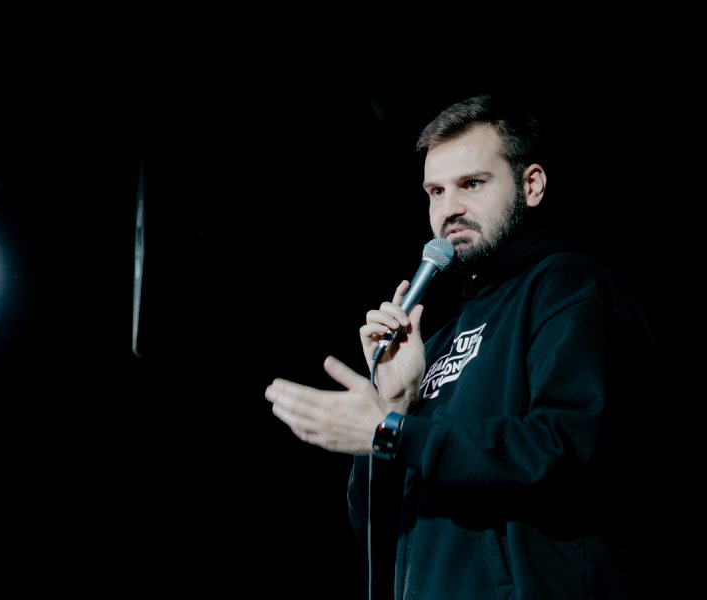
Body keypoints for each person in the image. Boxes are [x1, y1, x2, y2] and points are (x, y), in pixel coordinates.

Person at [265, 94, 657, 599]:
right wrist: (397, 405)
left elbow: (566, 451)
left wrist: (393, 433)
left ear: (531, 185)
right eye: (435, 191)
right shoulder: (437, 340)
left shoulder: (568, 286)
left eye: (471, 184)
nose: (449, 208)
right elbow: (375, 526)